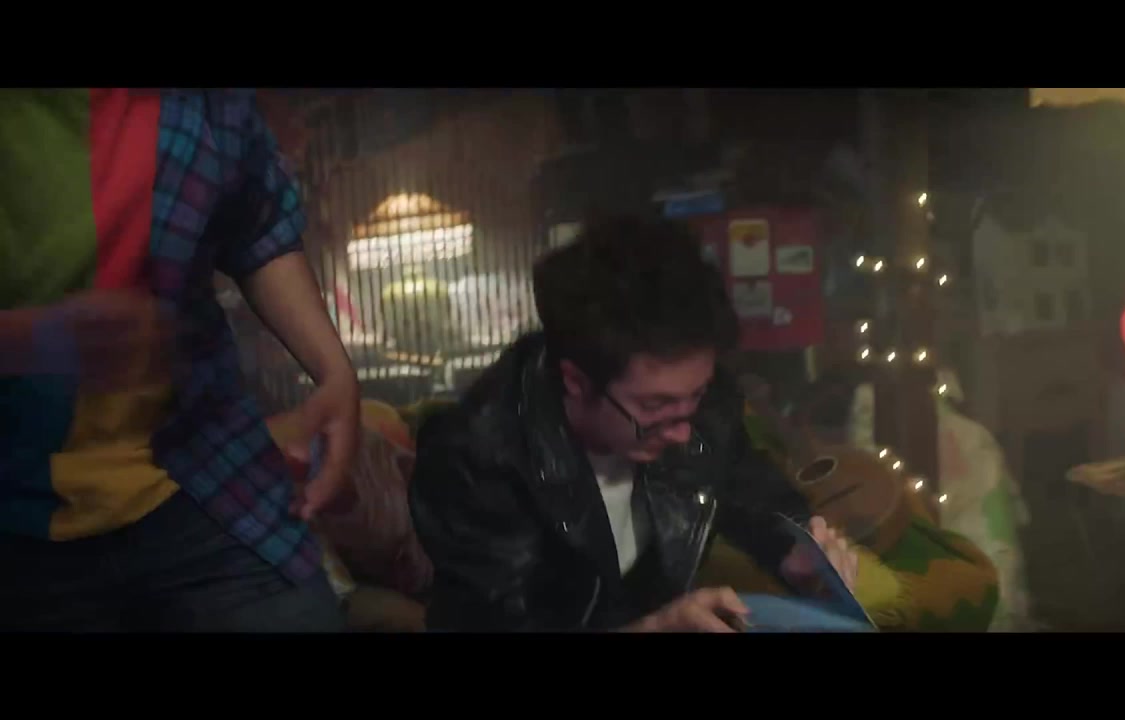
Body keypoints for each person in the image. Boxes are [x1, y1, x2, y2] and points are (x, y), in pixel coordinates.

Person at [0, 88, 359, 631]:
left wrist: (335, 372)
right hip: (17, 518)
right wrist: (34, 341)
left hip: (199, 475)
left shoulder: (208, 102)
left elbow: (259, 227)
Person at [409, 215, 860, 632]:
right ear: (576, 382)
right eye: (654, 407)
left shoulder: (701, 404)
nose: (683, 431)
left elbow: (756, 494)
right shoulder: (475, 456)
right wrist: (654, 629)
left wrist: (797, 551)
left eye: (695, 396)